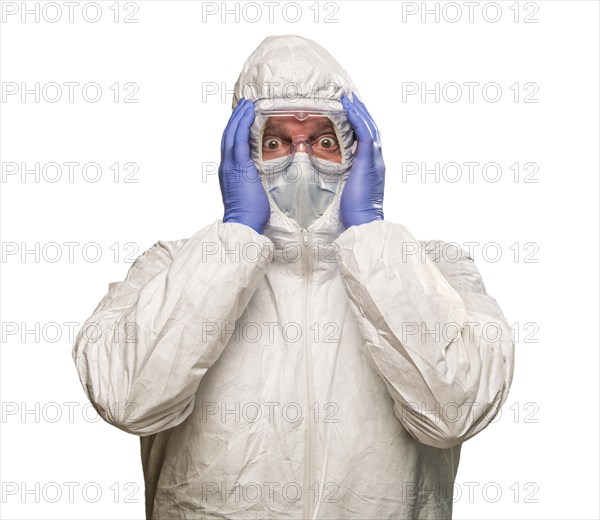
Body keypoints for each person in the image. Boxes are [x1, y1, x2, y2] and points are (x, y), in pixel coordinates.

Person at [72, 35, 515, 519]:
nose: (300, 160)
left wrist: (371, 237)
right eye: (276, 141)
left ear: (357, 154)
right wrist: (236, 237)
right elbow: (129, 400)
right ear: (242, 156)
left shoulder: (436, 271)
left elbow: (455, 412)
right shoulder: (170, 268)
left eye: (324, 141)